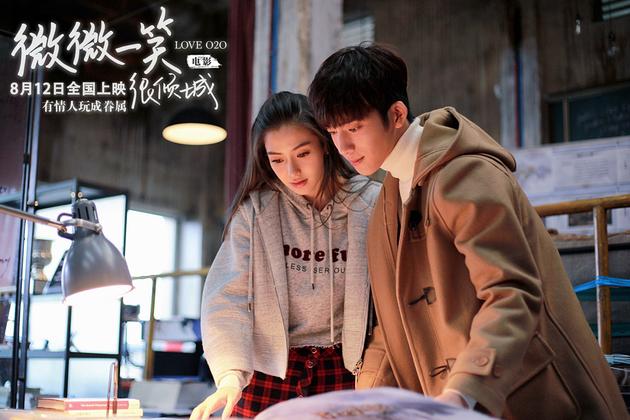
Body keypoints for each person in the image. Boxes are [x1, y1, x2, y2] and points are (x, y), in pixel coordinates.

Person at [307, 44, 627, 419]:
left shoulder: (465, 175)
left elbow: (511, 294)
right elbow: (391, 332)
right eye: (333, 132)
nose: (343, 146)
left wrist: (463, 392)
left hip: (533, 398)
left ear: (396, 114)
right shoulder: (388, 201)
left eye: (354, 128)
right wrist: (361, 403)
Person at [190, 91, 381, 419]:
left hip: (349, 368)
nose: (292, 171)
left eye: (302, 153)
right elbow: (227, 298)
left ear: (325, 144)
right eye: (276, 159)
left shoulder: (371, 203)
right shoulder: (256, 212)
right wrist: (230, 376)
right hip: (268, 372)